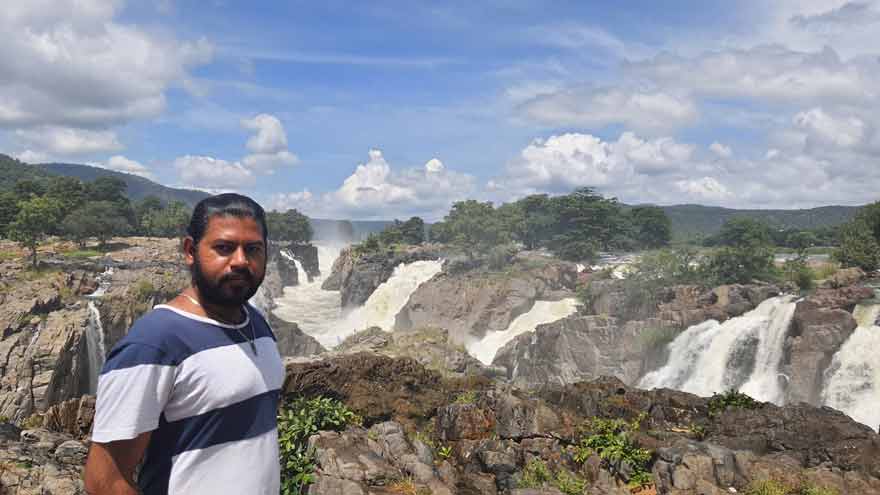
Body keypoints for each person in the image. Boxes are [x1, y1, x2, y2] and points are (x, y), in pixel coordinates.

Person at [84, 193, 285, 494]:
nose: (241, 261)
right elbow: (104, 481)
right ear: (191, 250)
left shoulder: (256, 322)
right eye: (224, 248)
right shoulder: (154, 342)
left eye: (253, 249)